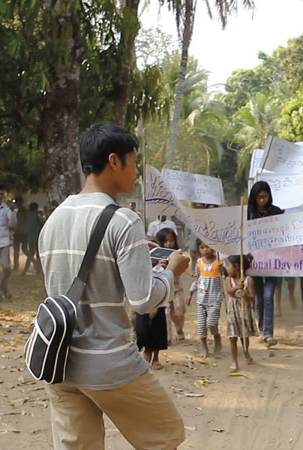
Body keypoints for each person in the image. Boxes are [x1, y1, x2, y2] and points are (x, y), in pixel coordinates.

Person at [40, 122, 187, 449]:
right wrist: (171, 271)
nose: (135, 172)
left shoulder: (53, 220)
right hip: (108, 362)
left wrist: (135, 256)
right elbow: (143, 301)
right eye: (134, 163)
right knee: (166, 436)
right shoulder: (123, 220)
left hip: (59, 362)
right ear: (114, 161)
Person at [247, 181, 284, 347]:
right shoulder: (249, 214)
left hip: (273, 261)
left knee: (269, 296)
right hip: (254, 262)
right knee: (259, 297)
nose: (261, 200)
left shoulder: (276, 212)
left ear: (269, 196)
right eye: (258, 197)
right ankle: (261, 327)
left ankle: (268, 332)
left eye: (264, 196)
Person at [187, 240, 225, 358]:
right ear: (199, 249)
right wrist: (191, 293)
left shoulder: (219, 262)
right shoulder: (199, 262)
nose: (205, 249)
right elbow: (198, 279)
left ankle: (216, 336)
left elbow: (226, 276)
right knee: (201, 326)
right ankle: (204, 348)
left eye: (207, 247)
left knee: (211, 323)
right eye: (202, 247)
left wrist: (223, 270)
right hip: (201, 299)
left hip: (214, 299)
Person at [224, 254, 257, 371]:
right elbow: (229, 290)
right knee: (232, 337)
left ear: (237, 267)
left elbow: (253, 297)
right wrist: (237, 287)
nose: (226, 268)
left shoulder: (249, 280)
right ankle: (234, 361)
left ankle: (246, 351)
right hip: (233, 312)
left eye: (228, 265)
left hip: (244, 311)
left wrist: (246, 295)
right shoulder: (229, 280)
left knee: (244, 336)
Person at [155, 228, 186, 343]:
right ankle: (167, 337)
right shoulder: (157, 254)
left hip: (177, 288)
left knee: (179, 311)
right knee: (166, 313)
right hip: (164, 287)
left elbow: (185, 265)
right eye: (166, 241)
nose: (169, 243)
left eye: (171, 240)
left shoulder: (178, 253)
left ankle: (179, 328)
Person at [21, 202, 44, 276]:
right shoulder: (37, 216)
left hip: (30, 238)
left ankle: (25, 270)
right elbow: (43, 223)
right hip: (37, 237)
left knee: (30, 255)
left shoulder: (27, 217)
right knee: (38, 255)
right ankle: (38, 270)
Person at [12, 198, 28, 271]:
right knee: (16, 251)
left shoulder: (24, 211)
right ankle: (16, 266)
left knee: (23, 250)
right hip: (18, 233)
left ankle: (34, 261)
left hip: (23, 233)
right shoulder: (16, 211)